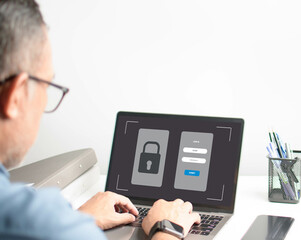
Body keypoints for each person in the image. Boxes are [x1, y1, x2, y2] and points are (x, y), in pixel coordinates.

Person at [0, 0, 200, 239]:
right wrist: (168, 228)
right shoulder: (38, 222)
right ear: (16, 95)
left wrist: (74, 222)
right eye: (46, 85)